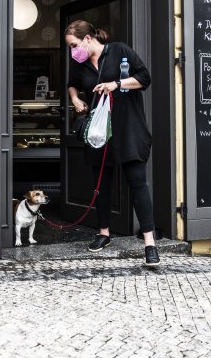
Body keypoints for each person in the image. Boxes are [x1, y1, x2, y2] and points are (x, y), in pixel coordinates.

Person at [65, 20, 160, 267]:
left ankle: (150, 243)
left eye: (74, 45)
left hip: (128, 128)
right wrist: (75, 99)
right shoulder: (79, 63)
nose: (72, 51)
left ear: (87, 39)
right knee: (101, 184)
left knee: (138, 184)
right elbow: (72, 85)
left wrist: (116, 84)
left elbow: (144, 78)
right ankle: (104, 233)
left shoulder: (120, 51)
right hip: (99, 132)